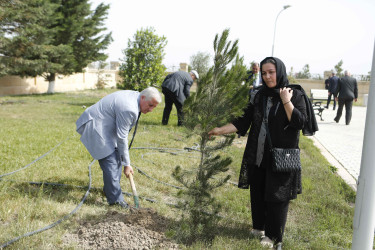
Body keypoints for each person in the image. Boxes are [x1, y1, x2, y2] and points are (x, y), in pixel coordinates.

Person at [208, 57, 317, 249]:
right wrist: (218, 130)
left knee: (277, 195)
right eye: (264, 73)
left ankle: (274, 236)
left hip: (281, 155)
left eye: (271, 72)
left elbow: (299, 123)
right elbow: (243, 121)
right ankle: (259, 227)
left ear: (280, 72)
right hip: (258, 152)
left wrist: (286, 102)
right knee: (258, 190)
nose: (267, 77)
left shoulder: (295, 94)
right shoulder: (259, 95)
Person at [76, 87, 162, 208]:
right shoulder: (129, 108)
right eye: (150, 105)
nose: (151, 109)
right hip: (95, 125)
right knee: (110, 160)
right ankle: (116, 201)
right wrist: (127, 164)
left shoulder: (137, 98)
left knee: (116, 157)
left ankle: (109, 190)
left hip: (106, 125)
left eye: (154, 107)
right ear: (143, 97)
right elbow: (122, 138)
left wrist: (124, 161)